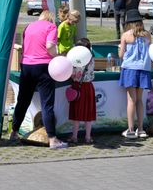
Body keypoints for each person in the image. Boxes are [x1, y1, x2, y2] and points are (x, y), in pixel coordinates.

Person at [9, 10, 67, 149]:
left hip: (27, 66)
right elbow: (49, 46)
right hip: (43, 68)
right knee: (47, 104)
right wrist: (58, 56)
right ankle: (52, 138)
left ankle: (14, 132)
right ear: (51, 19)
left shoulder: (29, 26)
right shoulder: (51, 27)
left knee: (22, 101)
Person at [118, 9, 152, 139]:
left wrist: (122, 50)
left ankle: (131, 130)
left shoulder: (126, 35)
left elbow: (121, 55)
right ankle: (141, 129)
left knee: (131, 100)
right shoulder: (147, 35)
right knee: (139, 100)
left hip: (130, 69)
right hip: (144, 69)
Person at [67, 38, 96, 144]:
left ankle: (74, 137)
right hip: (88, 87)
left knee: (76, 114)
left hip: (77, 87)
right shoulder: (91, 59)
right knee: (88, 114)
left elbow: (72, 74)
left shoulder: (75, 60)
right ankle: (88, 137)